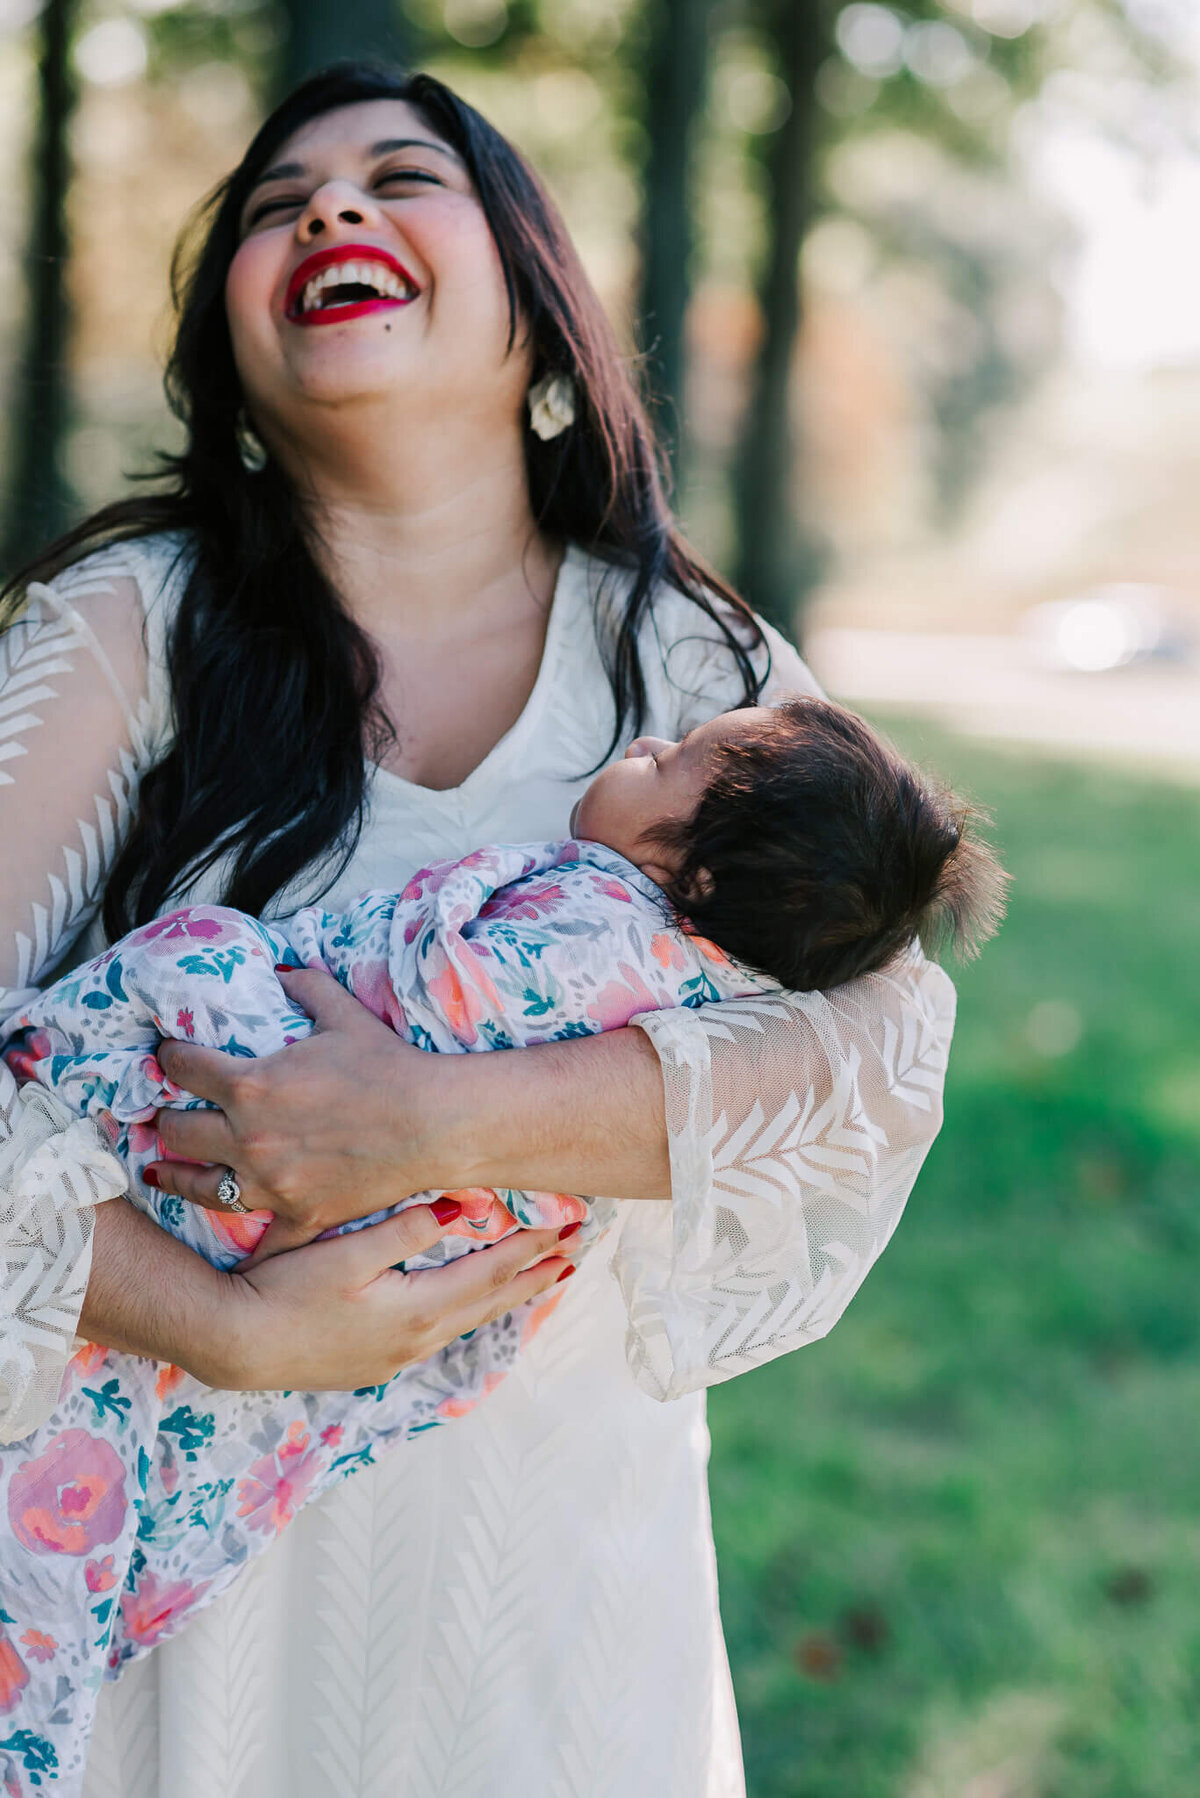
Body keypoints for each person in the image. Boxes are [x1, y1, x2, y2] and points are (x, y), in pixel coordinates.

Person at [0, 64, 958, 1798]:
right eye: (279, 201)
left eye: (396, 176)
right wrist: (226, 1329)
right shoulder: (131, 624)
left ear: (536, 308)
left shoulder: (689, 669)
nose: (328, 212)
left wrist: (434, 1124)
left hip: (554, 1642)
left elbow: (882, 1055)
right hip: (179, 1635)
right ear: (234, 351)